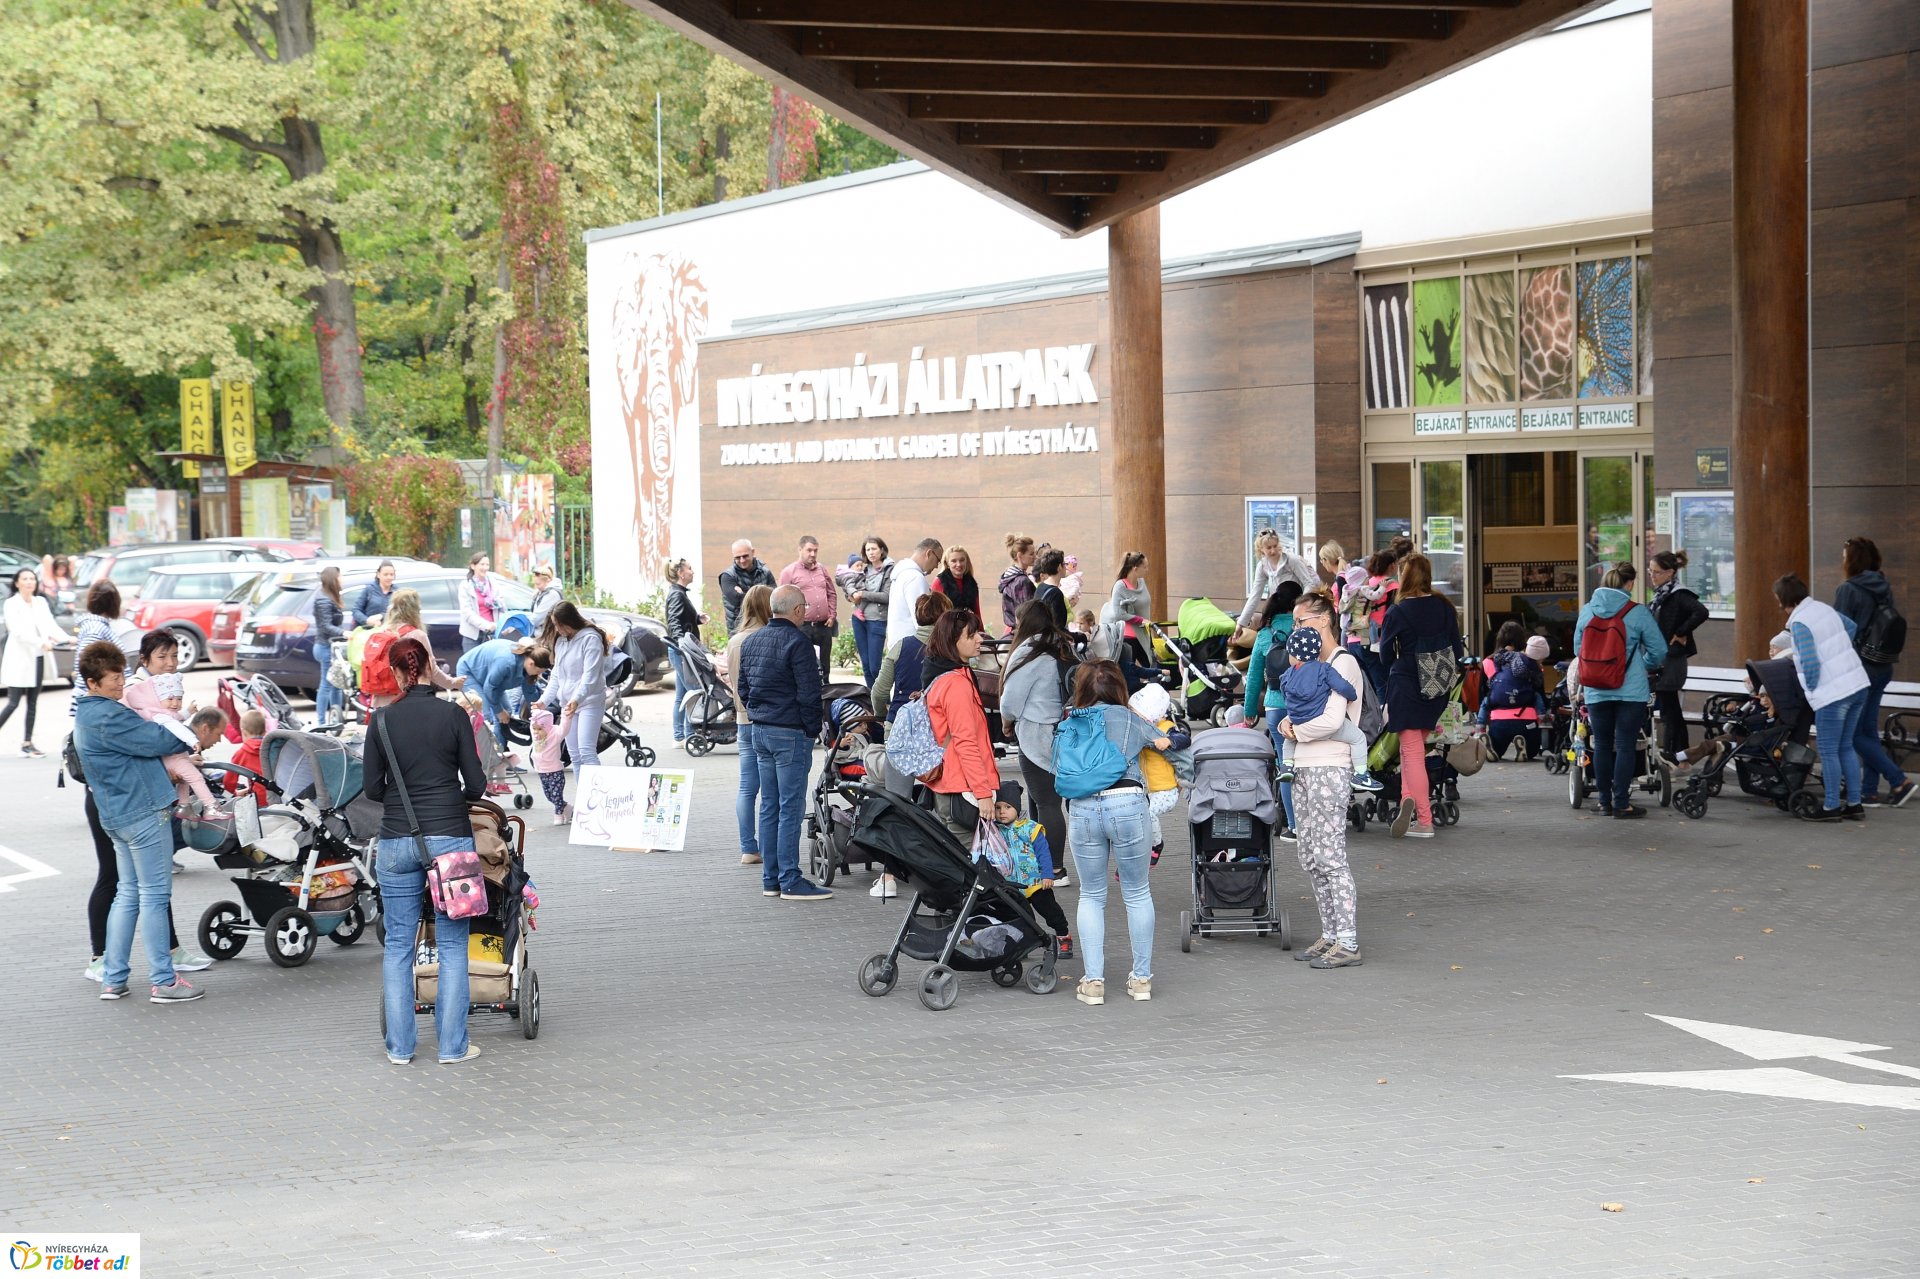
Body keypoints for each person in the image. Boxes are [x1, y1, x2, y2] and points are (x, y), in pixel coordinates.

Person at [363, 635, 487, 1065]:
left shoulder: (379, 722)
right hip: (451, 839)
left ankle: (400, 1049)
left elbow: (371, 788)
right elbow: (477, 785)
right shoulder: (453, 715)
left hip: (397, 841)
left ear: (396, 672)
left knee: (398, 944)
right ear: (429, 667)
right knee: (453, 945)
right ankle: (452, 1048)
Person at [72, 640, 205, 1004]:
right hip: (142, 813)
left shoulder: (86, 714)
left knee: (128, 893)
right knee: (154, 896)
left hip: (116, 814)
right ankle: (164, 980)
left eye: (121, 675)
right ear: (92, 683)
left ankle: (114, 978)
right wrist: (186, 724)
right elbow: (159, 740)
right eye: (112, 679)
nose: (120, 684)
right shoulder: (110, 715)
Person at [1061, 659, 1166, 1006]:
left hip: (1084, 807)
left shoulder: (1070, 719)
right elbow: (1165, 743)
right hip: (1127, 802)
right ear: (1119, 687)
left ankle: (1093, 983)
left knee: (1091, 894)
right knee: (1136, 892)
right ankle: (1141, 981)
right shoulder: (1130, 718)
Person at [1277, 591, 1369, 969]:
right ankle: (1330, 933)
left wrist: (1294, 730)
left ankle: (1347, 940)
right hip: (1304, 766)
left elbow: (1333, 722)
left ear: (1324, 620)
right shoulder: (1307, 667)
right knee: (1311, 855)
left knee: (1330, 855)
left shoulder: (1342, 664)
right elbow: (1296, 716)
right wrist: (1290, 725)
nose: (1296, 629)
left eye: (1301, 622)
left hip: (1330, 766)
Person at [736, 585, 832, 899]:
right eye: (803, 607)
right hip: (789, 732)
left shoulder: (752, 640)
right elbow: (809, 693)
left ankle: (771, 879)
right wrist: (810, 730)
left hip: (760, 729)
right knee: (791, 807)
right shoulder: (798, 642)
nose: (805, 612)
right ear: (796, 610)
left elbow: (743, 687)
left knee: (769, 806)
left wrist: (757, 712)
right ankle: (790, 879)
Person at [1570, 562, 1666, 820]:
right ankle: (1622, 803)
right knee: (1625, 744)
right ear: (1630, 584)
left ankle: (1603, 802)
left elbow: (1578, 649)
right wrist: (1640, 666)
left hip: (1596, 689)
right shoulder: (1637, 612)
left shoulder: (1588, 610)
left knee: (1600, 744)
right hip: (1631, 690)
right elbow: (1659, 651)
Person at [1379, 554, 1464, 837]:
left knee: (1412, 754)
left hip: (1407, 684)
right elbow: (1457, 651)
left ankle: (1425, 821)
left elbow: (1385, 654)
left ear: (1404, 576)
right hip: (1436, 687)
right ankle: (1408, 802)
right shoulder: (1444, 607)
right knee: (1411, 752)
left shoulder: (1398, 611)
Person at [999, 599, 1079, 898]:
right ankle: (1043, 862)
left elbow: (1009, 702)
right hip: (1065, 734)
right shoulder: (1063, 648)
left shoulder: (1029, 654)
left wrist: (1008, 723)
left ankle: (1055, 870)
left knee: (1045, 803)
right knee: (1045, 801)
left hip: (1036, 736)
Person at [1776, 573, 1870, 822]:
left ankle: (1831, 807)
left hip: (1833, 693)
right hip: (1858, 685)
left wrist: (1814, 688)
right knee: (1846, 746)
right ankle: (1854, 804)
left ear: (1782, 599)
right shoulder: (1823, 609)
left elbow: (1809, 662)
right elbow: (1850, 627)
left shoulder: (1800, 623)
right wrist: (1836, 651)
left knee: (1828, 751)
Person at [1834, 537, 1913, 809]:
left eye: (1845, 555)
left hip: (1859, 668)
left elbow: (1841, 633)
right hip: (1883, 665)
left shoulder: (1848, 589)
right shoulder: (1883, 585)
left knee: (1854, 734)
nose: (1842, 560)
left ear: (1852, 560)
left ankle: (1899, 779)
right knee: (1867, 730)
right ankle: (1868, 791)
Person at [918, 610, 1002, 839]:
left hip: (949, 785)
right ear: (952, 641)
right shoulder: (955, 684)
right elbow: (966, 741)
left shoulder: (940, 673)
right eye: (971, 635)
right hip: (963, 790)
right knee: (971, 868)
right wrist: (983, 793)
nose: (980, 639)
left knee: (960, 863)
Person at [1277, 627, 1381, 793]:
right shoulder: (1324, 669)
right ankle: (1361, 774)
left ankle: (1287, 766)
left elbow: (1285, 695)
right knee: (1358, 737)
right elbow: (1342, 686)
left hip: (1297, 720)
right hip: (1321, 719)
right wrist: (1352, 696)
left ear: (1295, 656)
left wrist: (1294, 713)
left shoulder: (1287, 675)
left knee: (1289, 738)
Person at [1240, 581, 1304, 837]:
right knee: (1310, 762)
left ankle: (1294, 826)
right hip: (1304, 705)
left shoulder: (1265, 634)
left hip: (1276, 706)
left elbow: (1255, 675)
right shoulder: (1304, 628)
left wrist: (1249, 710)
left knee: (1286, 763)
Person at [722, 584, 775, 867]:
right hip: (767, 720)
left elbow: (735, 683)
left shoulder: (735, 641)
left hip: (743, 720)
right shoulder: (770, 638)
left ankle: (747, 847)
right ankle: (767, 849)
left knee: (747, 787)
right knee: (769, 790)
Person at [989, 781, 1071, 946]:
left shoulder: (1030, 829)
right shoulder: (994, 832)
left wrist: (1048, 875)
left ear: (1017, 809)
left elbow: (1044, 854)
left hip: (1036, 883)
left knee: (1051, 911)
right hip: (1012, 886)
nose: (1002, 812)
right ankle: (1020, 943)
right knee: (1017, 916)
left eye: (1007, 807)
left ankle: (1063, 935)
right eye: (998, 808)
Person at [1647, 550, 1710, 764]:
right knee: (1670, 708)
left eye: (1656, 572)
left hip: (1671, 659)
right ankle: (1681, 755)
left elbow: (1701, 612)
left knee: (1668, 709)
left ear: (1670, 572)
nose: (1652, 576)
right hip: (1663, 657)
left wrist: (1681, 632)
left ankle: (1674, 756)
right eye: (1650, 571)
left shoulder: (1678, 594)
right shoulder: (1662, 593)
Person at [544, 603, 611, 784]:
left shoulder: (591, 639)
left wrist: (577, 699)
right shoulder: (561, 641)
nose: (556, 629)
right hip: (569, 704)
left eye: (558, 624)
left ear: (568, 621)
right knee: (574, 755)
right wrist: (543, 701)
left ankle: (598, 797)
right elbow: (556, 675)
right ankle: (584, 801)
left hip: (589, 701)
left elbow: (590, 675)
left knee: (587, 751)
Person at [1, 567, 63, 756]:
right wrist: (40, 642)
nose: (29, 582)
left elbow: (50, 625)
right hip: (19, 658)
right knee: (13, 702)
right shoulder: (11, 604)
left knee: (33, 702)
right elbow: (17, 631)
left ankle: (27, 743)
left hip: (37, 657)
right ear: (17, 583)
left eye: (32, 579)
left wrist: (67, 638)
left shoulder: (40, 602)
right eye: (25, 579)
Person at [455, 637, 549, 754]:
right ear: (531, 664)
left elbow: (529, 692)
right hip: (470, 672)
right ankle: (487, 757)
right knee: (488, 714)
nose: (539, 675)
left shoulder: (528, 665)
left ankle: (502, 754)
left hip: (492, 680)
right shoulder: (506, 663)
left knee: (507, 713)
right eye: (538, 672)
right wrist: (498, 711)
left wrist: (537, 714)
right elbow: (489, 688)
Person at [872, 592, 950, 727]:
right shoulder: (953, 651)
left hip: (899, 726)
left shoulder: (900, 646)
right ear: (945, 618)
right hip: (940, 730)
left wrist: (882, 716)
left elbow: (879, 693)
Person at [1477, 627, 1550, 759]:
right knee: (1531, 752)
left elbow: (1483, 694)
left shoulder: (1490, 662)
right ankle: (1524, 747)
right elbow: (1540, 694)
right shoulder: (1532, 666)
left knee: (1497, 751)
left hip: (1499, 721)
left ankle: (1487, 741)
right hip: (1527, 722)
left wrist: (1483, 721)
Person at [777, 535, 837, 682]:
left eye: (815, 551)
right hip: (801, 626)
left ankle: (826, 693)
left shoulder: (821, 569)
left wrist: (832, 614)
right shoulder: (789, 572)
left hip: (824, 625)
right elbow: (781, 599)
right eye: (809, 550)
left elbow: (831, 592)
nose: (813, 554)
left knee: (825, 664)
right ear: (800, 550)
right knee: (806, 663)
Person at [664, 557, 707, 747]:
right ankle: (688, 734)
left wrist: (697, 618)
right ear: (681, 573)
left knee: (682, 693)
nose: (692, 571)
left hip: (679, 649)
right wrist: (682, 643)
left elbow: (680, 618)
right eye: (690, 568)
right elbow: (674, 620)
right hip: (681, 651)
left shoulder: (679, 592)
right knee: (692, 691)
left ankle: (680, 736)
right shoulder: (676, 594)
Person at [1238, 529, 1319, 629]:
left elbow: (1309, 584)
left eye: (1275, 546)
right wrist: (1241, 623)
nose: (1273, 550)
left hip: (1296, 609)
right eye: (1269, 548)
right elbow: (1255, 595)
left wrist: (1301, 607)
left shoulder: (1291, 560)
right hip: (1278, 611)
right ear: (1261, 549)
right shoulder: (1262, 566)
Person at [847, 537, 893, 685]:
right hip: (859, 620)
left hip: (877, 621)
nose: (871, 552)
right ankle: (871, 701)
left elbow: (886, 596)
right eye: (868, 550)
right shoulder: (863, 569)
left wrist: (863, 594)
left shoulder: (889, 569)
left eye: (874, 549)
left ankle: (882, 701)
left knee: (875, 667)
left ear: (882, 550)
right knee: (866, 666)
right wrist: (852, 595)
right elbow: (851, 588)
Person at [885, 538, 941, 649]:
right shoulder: (915, 578)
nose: (936, 566)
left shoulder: (901, 574)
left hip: (898, 644)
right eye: (937, 560)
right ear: (929, 553)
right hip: (913, 647)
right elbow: (922, 620)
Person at [312, 565, 348, 726]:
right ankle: (321, 723)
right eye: (340, 577)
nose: (342, 580)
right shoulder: (323, 600)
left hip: (331, 646)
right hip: (325, 647)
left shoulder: (329, 597)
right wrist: (344, 633)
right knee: (326, 684)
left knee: (336, 684)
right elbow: (325, 626)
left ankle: (335, 721)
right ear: (333, 579)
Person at [718, 539, 776, 635]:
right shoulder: (727, 576)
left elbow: (774, 599)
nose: (742, 560)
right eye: (737, 557)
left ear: (753, 552)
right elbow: (736, 600)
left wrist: (743, 594)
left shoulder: (765, 573)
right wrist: (763, 596)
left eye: (745, 556)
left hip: (765, 628)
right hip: (739, 630)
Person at [530, 701, 571, 824]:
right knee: (549, 796)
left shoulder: (555, 734)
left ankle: (558, 814)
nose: (536, 732)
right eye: (534, 729)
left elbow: (565, 727)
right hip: (542, 771)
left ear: (547, 727)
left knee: (556, 794)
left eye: (539, 729)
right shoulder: (535, 735)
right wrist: (535, 710)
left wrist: (565, 714)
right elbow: (533, 722)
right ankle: (567, 808)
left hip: (555, 771)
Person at [225, 709, 270, 804]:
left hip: (259, 800)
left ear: (244, 732)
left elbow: (229, 781)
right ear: (265, 731)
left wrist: (232, 795)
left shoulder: (243, 752)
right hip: (279, 795)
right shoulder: (271, 749)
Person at [457, 552, 496, 654]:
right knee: (472, 667)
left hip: (491, 634)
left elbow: (501, 607)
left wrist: (499, 625)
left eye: (487, 564)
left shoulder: (493, 583)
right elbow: (467, 612)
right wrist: (486, 625)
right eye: (482, 564)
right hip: (472, 636)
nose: (485, 567)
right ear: (473, 566)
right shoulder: (465, 586)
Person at [998, 534, 1038, 634]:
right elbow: (1026, 612)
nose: (1035, 557)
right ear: (1020, 555)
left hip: (1015, 631)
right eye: (1031, 554)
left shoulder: (1010, 577)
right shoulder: (1021, 581)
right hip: (1024, 632)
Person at [930, 545, 982, 620]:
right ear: (947, 563)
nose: (959, 564)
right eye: (954, 561)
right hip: (946, 629)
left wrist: (981, 631)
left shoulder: (972, 583)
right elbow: (934, 614)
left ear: (966, 562)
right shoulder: (939, 582)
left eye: (962, 560)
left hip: (969, 629)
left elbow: (977, 612)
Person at [351, 560, 398, 628]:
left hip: (388, 632)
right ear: (378, 574)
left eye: (391, 574)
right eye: (385, 574)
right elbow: (356, 610)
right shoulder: (369, 590)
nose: (389, 577)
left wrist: (382, 616)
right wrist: (367, 621)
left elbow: (398, 613)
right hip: (368, 631)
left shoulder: (397, 592)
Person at [529, 565, 564, 629]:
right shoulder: (541, 592)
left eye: (538, 584)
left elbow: (537, 619)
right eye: (536, 584)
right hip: (542, 633)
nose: (537, 587)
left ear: (548, 580)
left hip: (549, 634)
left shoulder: (552, 594)